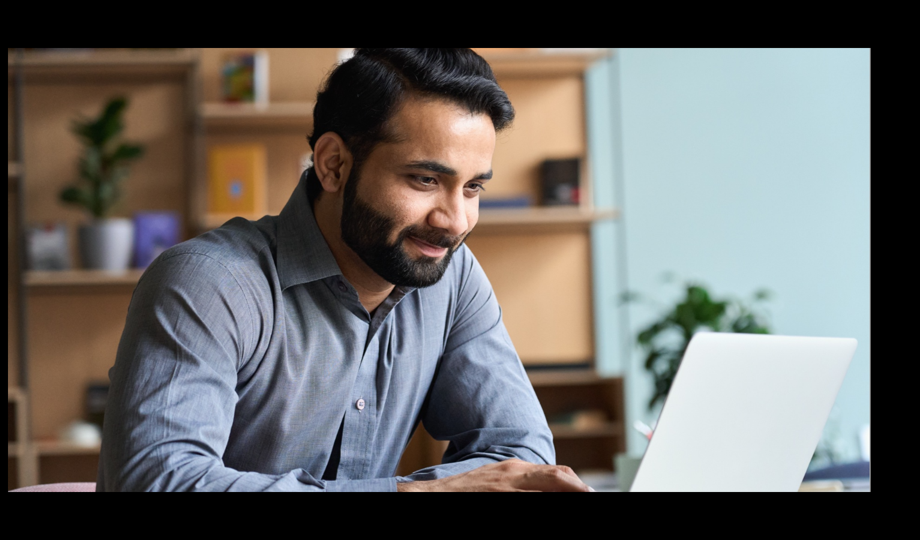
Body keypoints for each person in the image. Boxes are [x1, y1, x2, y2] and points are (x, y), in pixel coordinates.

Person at [97, 48, 592, 492]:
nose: (454, 221)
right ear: (333, 164)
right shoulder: (209, 282)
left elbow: (521, 459)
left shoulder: (453, 275)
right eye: (425, 179)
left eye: (472, 188)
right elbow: (155, 482)